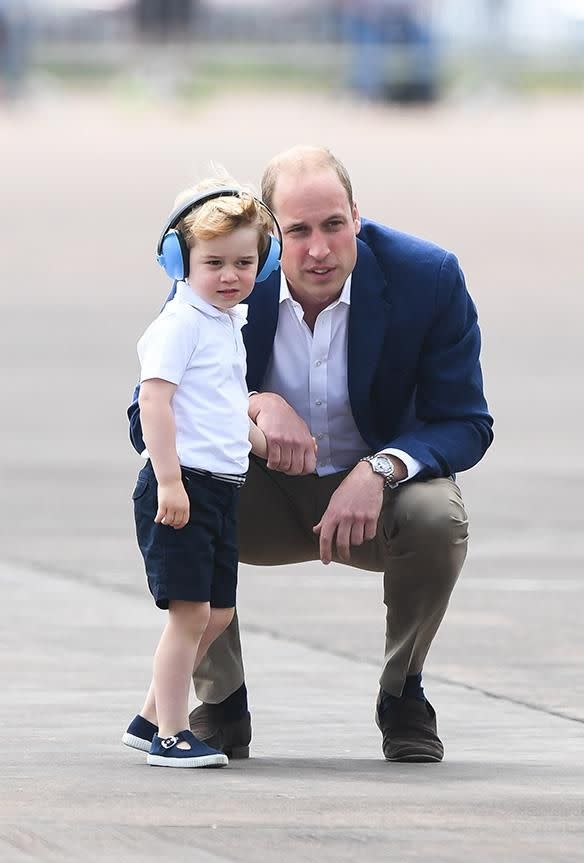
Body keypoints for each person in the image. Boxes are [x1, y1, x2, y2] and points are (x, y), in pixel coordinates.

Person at [128, 146, 493, 763]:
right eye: (297, 231)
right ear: (270, 232)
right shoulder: (225, 275)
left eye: (333, 225)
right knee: (175, 484)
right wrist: (251, 403)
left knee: (438, 514)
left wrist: (380, 468)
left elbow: (464, 421)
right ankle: (218, 701)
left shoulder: (427, 277)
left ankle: (402, 692)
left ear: (357, 215)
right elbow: (147, 418)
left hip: (373, 500)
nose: (318, 249)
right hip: (255, 490)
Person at [122, 173, 278, 768]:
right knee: (188, 615)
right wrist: (168, 481)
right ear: (179, 260)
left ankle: (147, 716)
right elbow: (155, 401)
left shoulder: (226, 324)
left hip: (220, 487)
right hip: (181, 485)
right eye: (214, 262)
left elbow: (222, 407)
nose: (230, 275)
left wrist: (265, 446)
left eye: (244, 263)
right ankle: (169, 733)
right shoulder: (179, 324)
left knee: (218, 614)